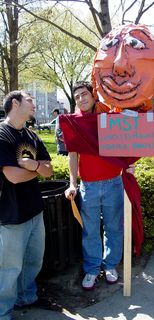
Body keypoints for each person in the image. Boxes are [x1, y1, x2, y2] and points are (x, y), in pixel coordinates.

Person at [64, 81, 134, 290]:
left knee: (114, 228)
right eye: (77, 97)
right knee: (90, 231)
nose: (81, 99)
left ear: (93, 95)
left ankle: (111, 265)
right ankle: (92, 269)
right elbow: (72, 156)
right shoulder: (74, 123)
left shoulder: (109, 117)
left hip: (114, 182)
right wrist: (72, 183)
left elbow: (127, 141)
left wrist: (129, 165)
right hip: (89, 187)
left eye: (84, 94)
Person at [0, 90, 53, 320]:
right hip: (11, 215)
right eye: (29, 100)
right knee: (9, 269)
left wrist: (34, 167)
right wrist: (37, 169)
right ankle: (3, 311)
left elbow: (49, 171)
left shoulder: (32, 136)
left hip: (34, 210)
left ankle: (26, 297)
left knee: (33, 261)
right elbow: (12, 176)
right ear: (15, 103)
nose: (33, 105)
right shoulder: (2, 135)